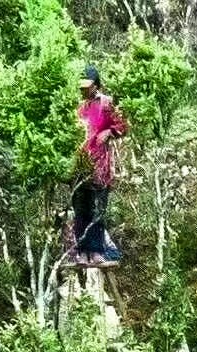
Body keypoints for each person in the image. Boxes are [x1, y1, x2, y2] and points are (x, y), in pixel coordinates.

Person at [74, 65, 127, 266]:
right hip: (80, 167)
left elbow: (122, 125)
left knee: (98, 209)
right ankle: (82, 251)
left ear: (96, 85)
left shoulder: (107, 103)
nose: (83, 90)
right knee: (81, 210)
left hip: (100, 166)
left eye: (87, 86)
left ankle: (96, 250)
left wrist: (110, 132)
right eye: (82, 87)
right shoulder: (80, 108)